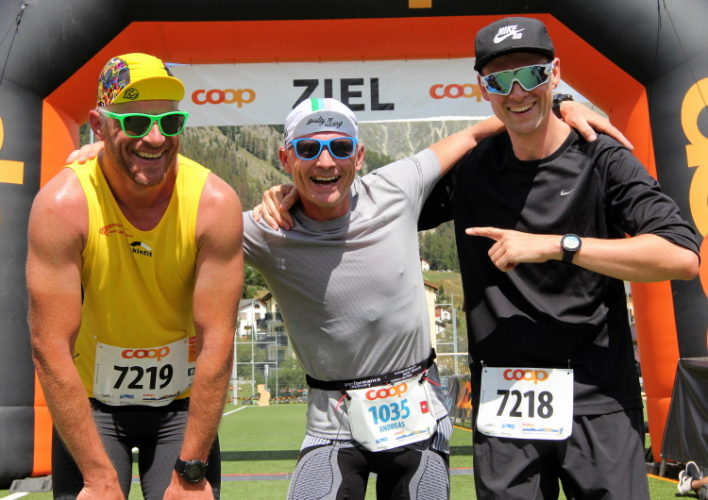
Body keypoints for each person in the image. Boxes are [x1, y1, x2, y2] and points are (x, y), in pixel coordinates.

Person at [68, 93, 627, 500]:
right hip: (331, 419)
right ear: (285, 158)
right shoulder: (262, 229)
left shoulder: (399, 184)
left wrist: (562, 104)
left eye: (339, 147)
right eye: (308, 149)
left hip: (418, 408)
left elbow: (479, 133)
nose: (325, 161)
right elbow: (179, 216)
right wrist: (109, 161)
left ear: (359, 156)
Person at [414, 17, 701, 499]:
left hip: (598, 398)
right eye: (500, 81)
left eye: (532, 74)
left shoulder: (601, 157)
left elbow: (681, 255)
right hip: (506, 404)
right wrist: (293, 192)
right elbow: (373, 203)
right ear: (483, 88)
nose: (517, 91)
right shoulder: (471, 169)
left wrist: (558, 245)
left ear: (555, 73)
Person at [27, 53, 243, 500]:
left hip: (181, 408)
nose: (155, 137)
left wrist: (192, 470)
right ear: (99, 125)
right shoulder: (63, 205)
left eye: (170, 122)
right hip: (91, 406)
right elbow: (50, 348)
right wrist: (98, 478)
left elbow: (218, 341)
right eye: (137, 122)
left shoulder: (214, 204)